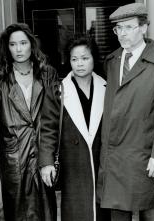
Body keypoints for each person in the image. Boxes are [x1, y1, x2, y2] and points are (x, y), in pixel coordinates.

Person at [96, 3, 154, 221]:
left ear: (144, 28)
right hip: (115, 160)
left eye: (128, 27)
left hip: (145, 158)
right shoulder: (112, 61)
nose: (122, 34)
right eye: (118, 28)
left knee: (150, 216)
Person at [0, 23, 57, 221]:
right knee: (17, 212)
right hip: (14, 156)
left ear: (31, 45)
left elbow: (54, 116)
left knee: (46, 210)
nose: (18, 49)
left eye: (23, 43)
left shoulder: (47, 73)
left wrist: (50, 154)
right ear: (6, 47)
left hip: (43, 153)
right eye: (13, 44)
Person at [39, 35, 108, 221]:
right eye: (74, 59)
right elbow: (47, 128)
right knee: (76, 211)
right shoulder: (58, 90)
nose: (79, 64)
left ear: (94, 58)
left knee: (101, 211)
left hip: (101, 162)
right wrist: (46, 162)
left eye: (85, 58)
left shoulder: (107, 88)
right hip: (72, 163)